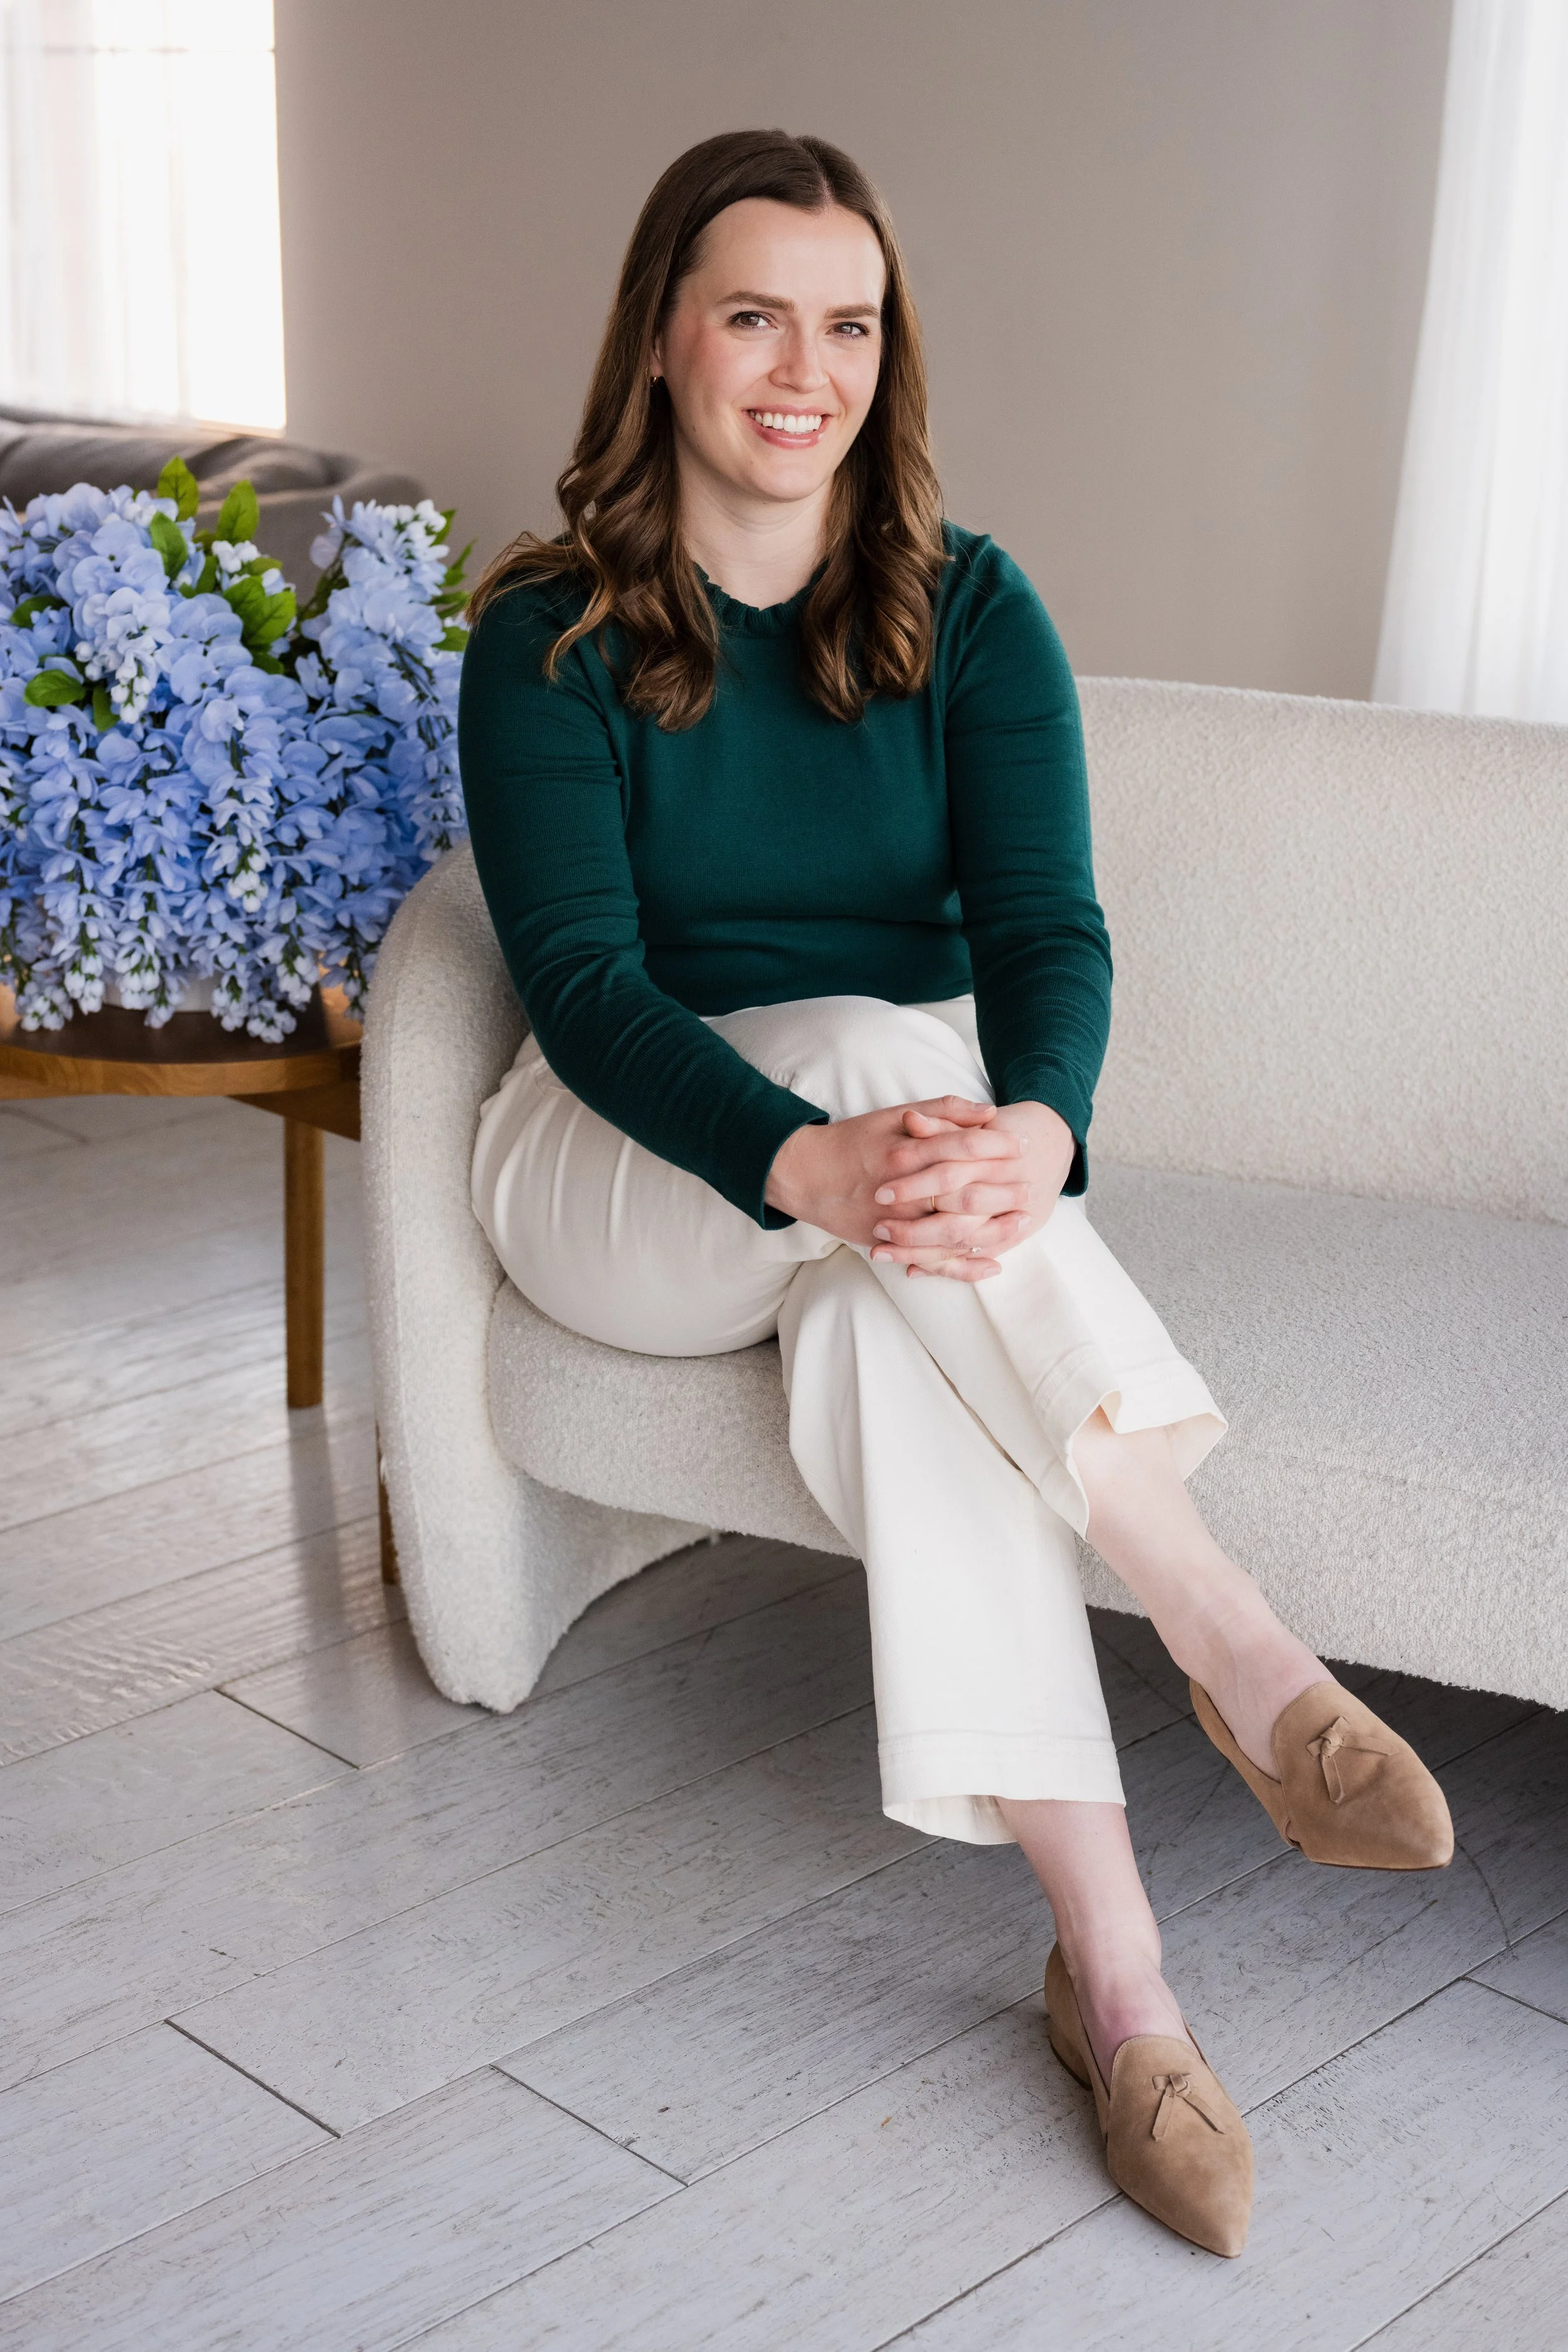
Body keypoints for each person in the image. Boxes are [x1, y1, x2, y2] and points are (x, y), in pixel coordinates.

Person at [458, 129, 1453, 2259]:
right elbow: (579, 985)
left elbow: (1051, 939)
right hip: (618, 1173)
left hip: (872, 1213)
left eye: (845, 322)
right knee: (883, 1057)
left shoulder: (967, 610)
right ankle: (1223, 1624)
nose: (799, 368)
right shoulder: (545, 627)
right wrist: (817, 1142)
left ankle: (1121, 1986)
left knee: (906, 1286)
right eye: (751, 314)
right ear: (658, 342)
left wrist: (1044, 1131)